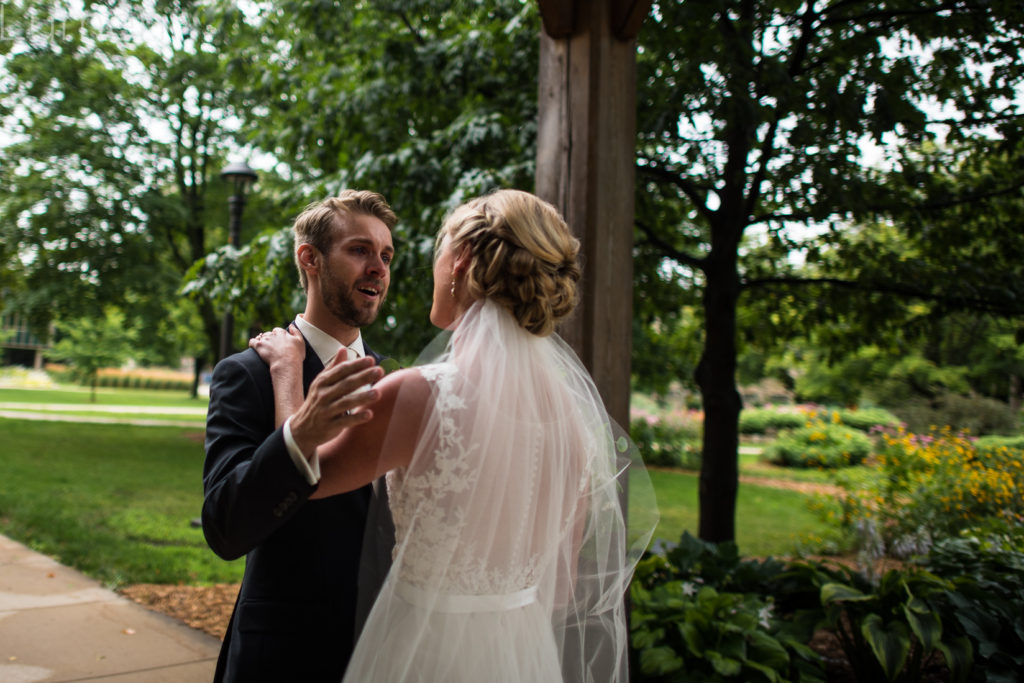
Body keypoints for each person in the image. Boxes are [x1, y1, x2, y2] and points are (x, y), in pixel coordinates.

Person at [253, 188, 657, 682]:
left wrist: (286, 373)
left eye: (439, 251)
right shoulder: (571, 420)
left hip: (424, 650)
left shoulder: (421, 395)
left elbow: (300, 480)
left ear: (461, 261)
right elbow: (560, 589)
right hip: (521, 653)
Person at [201, 190, 398, 682]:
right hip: (285, 656)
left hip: (386, 649)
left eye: (386, 255)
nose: (378, 267)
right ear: (309, 258)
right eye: (359, 250)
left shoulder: (397, 383)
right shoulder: (246, 374)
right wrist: (299, 434)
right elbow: (225, 528)